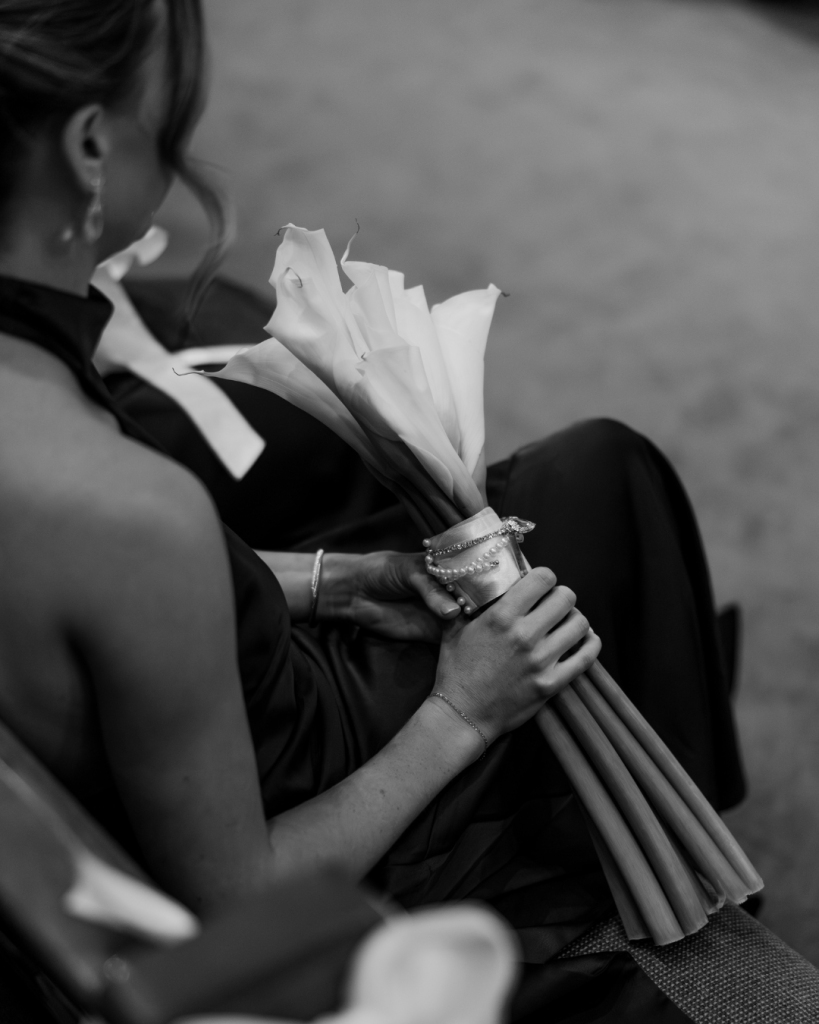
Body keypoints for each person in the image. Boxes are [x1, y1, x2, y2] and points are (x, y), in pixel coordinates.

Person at [3, 3, 815, 1022]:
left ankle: (660, 871)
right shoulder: (130, 510)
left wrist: (339, 578)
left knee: (583, 486)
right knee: (607, 500)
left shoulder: (43, 421)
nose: (182, 155)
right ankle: (659, 928)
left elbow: (116, 606)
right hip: (310, 799)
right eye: (166, 121)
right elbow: (236, 908)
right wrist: (462, 712)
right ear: (89, 147)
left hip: (211, 715)